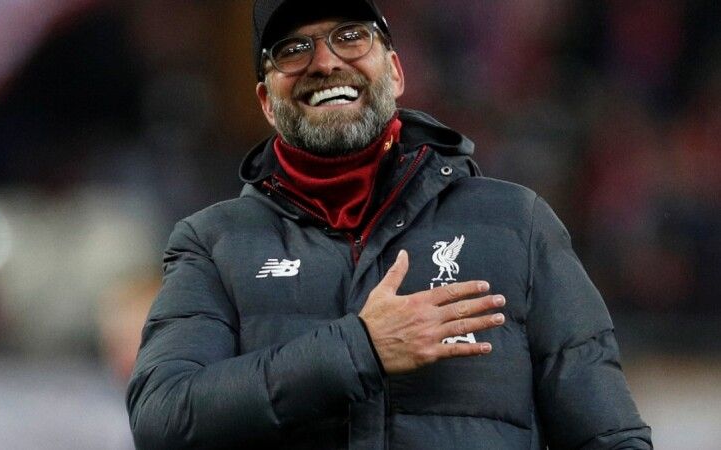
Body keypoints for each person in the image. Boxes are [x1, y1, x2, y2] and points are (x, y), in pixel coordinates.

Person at [126, 0, 652, 448]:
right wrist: (361, 347)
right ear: (266, 101)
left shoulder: (517, 223)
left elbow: (609, 436)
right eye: (293, 49)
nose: (325, 62)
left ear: (396, 72)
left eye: (351, 37)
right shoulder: (214, 244)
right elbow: (162, 418)